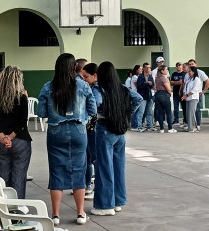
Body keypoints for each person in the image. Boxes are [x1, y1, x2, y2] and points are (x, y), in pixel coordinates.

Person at [37, 53, 97, 226]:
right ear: (74, 68)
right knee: (79, 170)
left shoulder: (48, 87)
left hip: (56, 133)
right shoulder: (83, 86)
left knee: (56, 172)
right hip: (79, 131)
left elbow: (41, 113)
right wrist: (80, 116)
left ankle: (55, 216)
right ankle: (80, 214)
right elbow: (93, 109)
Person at [91, 61, 143, 216]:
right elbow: (138, 98)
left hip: (105, 130)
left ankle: (105, 206)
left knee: (104, 168)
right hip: (120, 132)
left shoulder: (98, 89)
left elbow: (95, 104)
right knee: (118, 168)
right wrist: (126, 112)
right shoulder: (122, 88)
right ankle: (118, 202)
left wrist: (100, 114)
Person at [0, 66, 32, 199]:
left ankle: (4, 207)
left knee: (4, 177)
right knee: (19, 178)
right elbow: (22, 123)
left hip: (2, 143)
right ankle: (17, 209)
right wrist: (10, 137)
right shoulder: (21, 98)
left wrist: (2, 136)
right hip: (20, 140)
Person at [82, 63, 98, 199]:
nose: (84, 79)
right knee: (87, 157)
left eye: (86, 77)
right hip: (88, 128)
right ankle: (86, 185)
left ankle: (95, 188)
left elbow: (94, 109)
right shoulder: (90, 87)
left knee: (94, 158)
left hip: (94, 128)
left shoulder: (96, 90)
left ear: (95, 76)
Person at [185, 59, 209, 131]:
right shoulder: (187, 74)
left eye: (192, 64)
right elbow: (185, 84)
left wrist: (204, 90)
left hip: (197, 94)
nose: (191, 65)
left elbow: (207, 80)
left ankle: (197, 124)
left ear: (196, 64)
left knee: (196, 109)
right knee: (189, 111)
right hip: (188, 95)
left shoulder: (200, 73)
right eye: (189, 64)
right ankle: (191, 125)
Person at [154, 65, 177, 133]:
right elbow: (169, 88)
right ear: (162, 71)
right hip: (164, 94)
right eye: (166, 69)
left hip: (158, 94)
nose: (167, 71)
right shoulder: (164, 78)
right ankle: (170, 128)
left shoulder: (157, 78)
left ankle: (161, 128)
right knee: (168, 112)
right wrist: (169, 93)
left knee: (160, 112)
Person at [182, 66, 202, 132]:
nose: (188, 72)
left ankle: (192, 127)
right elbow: (185, 88)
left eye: (189, 71)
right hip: (188, 98)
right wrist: (184, 94)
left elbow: (194, 90)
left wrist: (186, 95)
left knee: (191, 112)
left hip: (193, 98)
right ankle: (190, 126)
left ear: (193, 72)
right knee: (188, 113)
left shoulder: (197, 79)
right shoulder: (189, 80)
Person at [136, 62, 155, 131]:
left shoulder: (150, 76)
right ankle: (139, 127)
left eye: (149, 68)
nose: (148, 69)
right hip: (143, 97)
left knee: (149, 112)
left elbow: (153, 85)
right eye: (147, 68)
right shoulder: (140, 77)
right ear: (143, 68)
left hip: (150, 97)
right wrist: (147, 84)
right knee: (141, 112)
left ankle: (149, 126)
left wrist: (149, 84)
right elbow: (139, 86)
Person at [152, 57, 169, 127]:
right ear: (157, 63)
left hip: (165, 91)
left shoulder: (166, 70)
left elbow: (168, 80)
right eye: (160, 62)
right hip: (157, 91)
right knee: (157, 107)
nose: (162, 63)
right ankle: (157, 120)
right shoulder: (154, 71)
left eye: (162, 62)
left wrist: (168, 89)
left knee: (165, 107)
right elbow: (153, 81)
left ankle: (163, 120)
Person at [130, 65, 142, 130]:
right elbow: (138, 86)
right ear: (137, 70)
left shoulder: (137, 77)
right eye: (140, 69)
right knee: (135, 111)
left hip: (136, 95)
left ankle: (136, 125)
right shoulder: (135, 77)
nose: (141, 70)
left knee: (137, 111)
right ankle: (134, 126)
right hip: (135, 95)